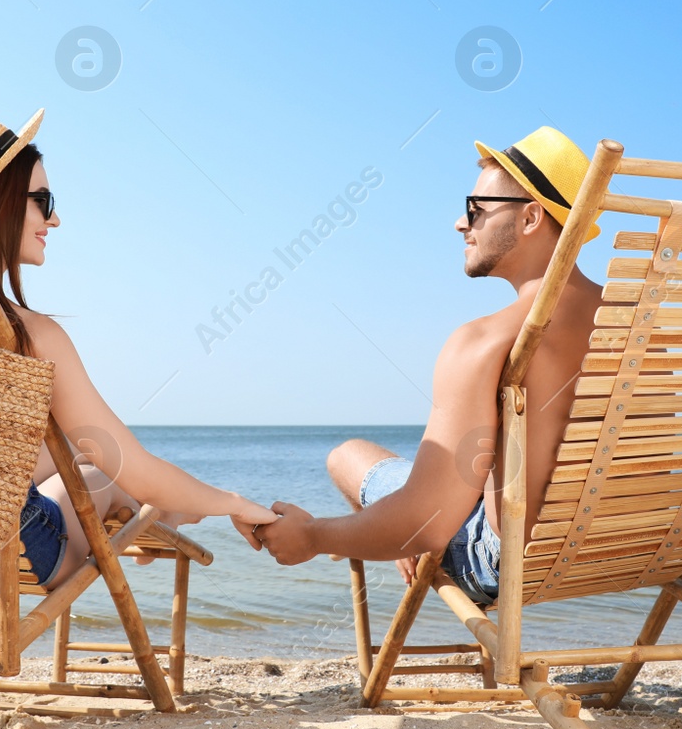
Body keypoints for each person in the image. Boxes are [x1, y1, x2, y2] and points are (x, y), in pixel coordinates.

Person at [252, 126, 603, 607]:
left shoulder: (484, 342)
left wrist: (312, 536)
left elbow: (429, 521)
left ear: (531, 218)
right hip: (616, 549)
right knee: (446, 490)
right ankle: (397, 532)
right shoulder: (638, 332)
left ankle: (391, 544)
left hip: (512, 562)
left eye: (476, 210)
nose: (461, 224)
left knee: (348, 456)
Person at [0, 109, 277, 589]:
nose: (55, 218)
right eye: (42, 200)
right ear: (0, 203)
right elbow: (138, 469)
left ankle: (168, 509)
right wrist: (233, 502)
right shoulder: (30, 335)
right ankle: (165, 511)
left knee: (78, 450)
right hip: (10, 546)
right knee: (110, 468)